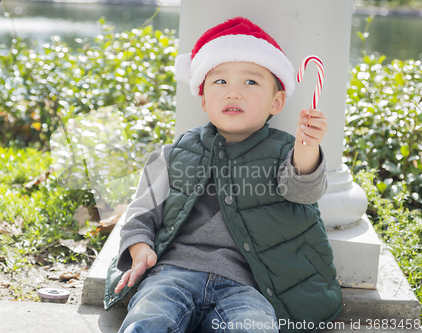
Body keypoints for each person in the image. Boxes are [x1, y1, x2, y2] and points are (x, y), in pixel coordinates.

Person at [103, 17, 343, 333]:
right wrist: (139, 249)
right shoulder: (173, 154)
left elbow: (303, 192)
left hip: (248, 284)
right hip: (171, 274)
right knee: (149, 319)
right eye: (220, 82)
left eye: (251, 82)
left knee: (255, 326)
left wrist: (307, 146)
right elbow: (140, 215)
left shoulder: (286, 152)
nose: (233, 93)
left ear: (277, 101)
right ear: (203, 99)